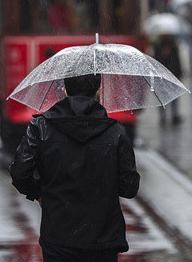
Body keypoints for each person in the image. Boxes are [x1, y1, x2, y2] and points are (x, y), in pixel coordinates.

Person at [9, 73, 141, 261]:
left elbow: (20, 172)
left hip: (58, 237)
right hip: (102, 240)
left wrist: (39, 193)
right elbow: (129, 187)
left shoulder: (40, 127)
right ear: (98, 92)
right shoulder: (115, 133)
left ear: (64, 91)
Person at [153, 34, 184, 125]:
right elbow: (156, 61)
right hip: (162, 76)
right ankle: (163, 116)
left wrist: (179, 73)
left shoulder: (174, 46)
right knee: (162, 97)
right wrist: (163, 55)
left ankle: (175, 115)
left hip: (172, 75)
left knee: (174, 97)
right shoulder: (158, 47)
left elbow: (177, 60)